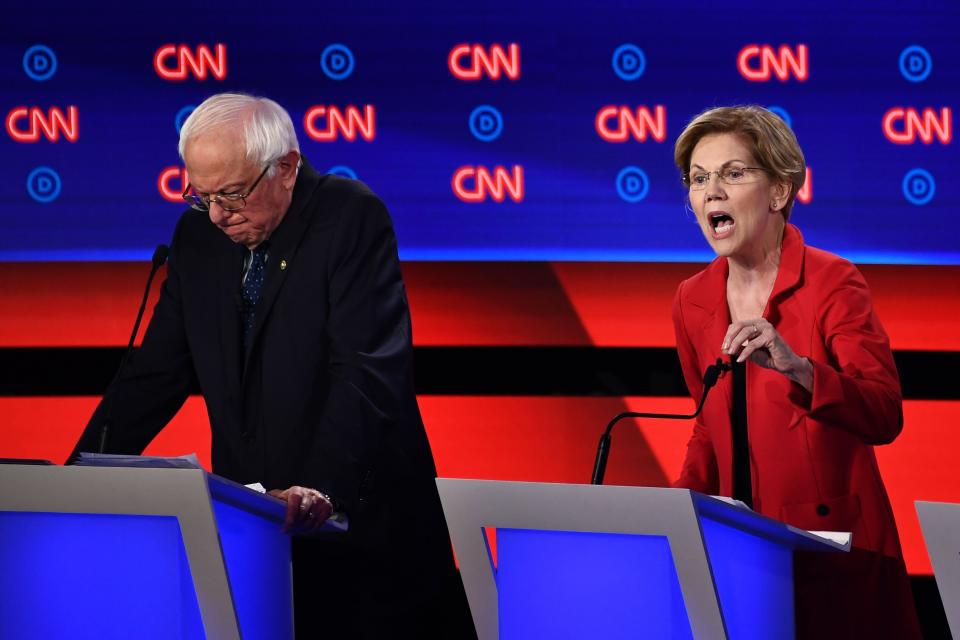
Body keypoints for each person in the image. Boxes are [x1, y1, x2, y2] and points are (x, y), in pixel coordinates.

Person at [70, 93, 473, 638]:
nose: (217, 215)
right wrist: (77, 480)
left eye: (232, 195)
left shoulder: (349, 216)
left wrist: (318, 487)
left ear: (285, 166)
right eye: (201, 196)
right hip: (255, 536)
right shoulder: (198, 239)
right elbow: (154, 374)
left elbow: (366, 372)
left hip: (366, 536)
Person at [670, 106, 921, 639]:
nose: (711, 191)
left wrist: (799, 368)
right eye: (698, 178)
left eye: (733, 173)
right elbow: (707, 423)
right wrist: (676, 511)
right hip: (741, 559)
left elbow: (883, 411)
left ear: (780, 192)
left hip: (835, 553)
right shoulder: (691, 300)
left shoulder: (833, 282)